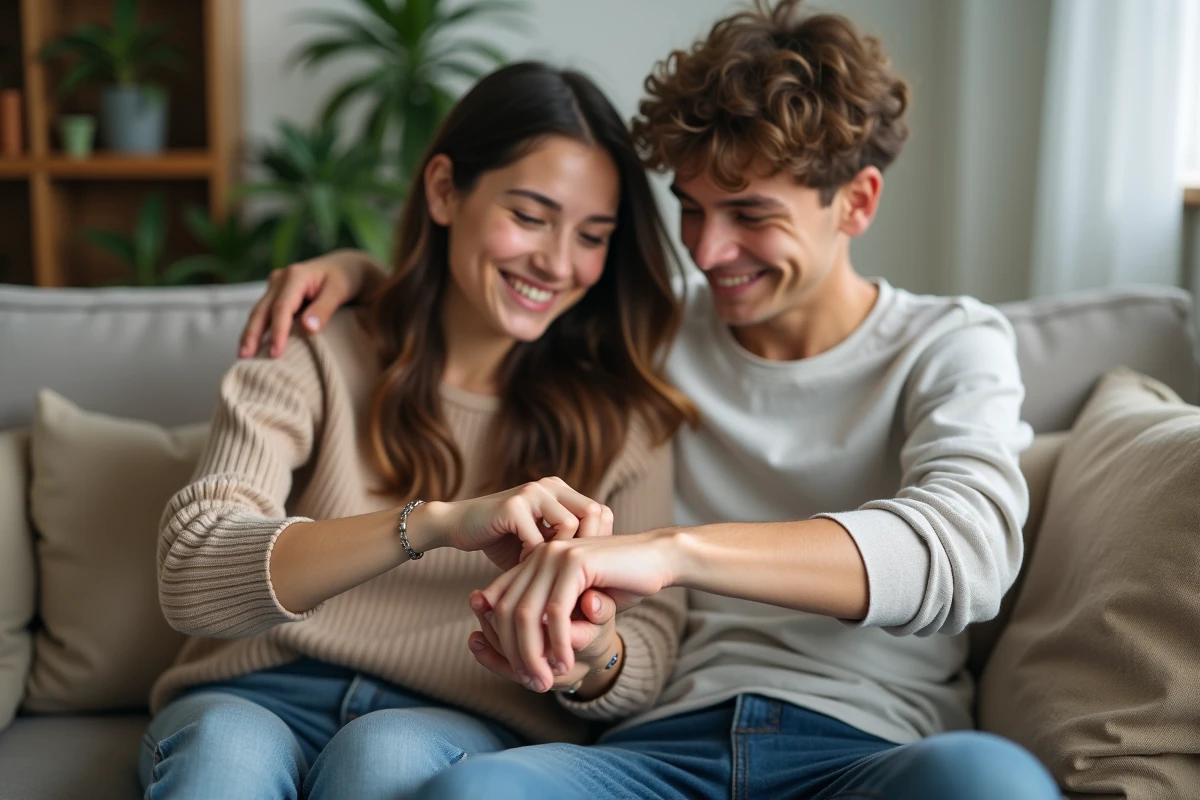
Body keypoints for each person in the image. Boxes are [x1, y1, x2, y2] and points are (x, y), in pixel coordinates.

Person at [241, 2, 1062, 798]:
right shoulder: (648, 330)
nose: (709, 251)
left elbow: (970, 550)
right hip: (657, 751)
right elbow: (496, 295)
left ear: (857, 201)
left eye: (750, 215)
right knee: (473, 791)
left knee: (996, 783)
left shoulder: (948, 343)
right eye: (693, 210)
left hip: (871, 744)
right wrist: (358, 278)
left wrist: (674, 552)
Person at [141, 61, 699, 800]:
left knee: (384, 758)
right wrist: (433, 525)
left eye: (592, 236)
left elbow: (647, 654)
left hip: (456, 720)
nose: (558, 263)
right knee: (223, 756)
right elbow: (194, 568)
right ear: (444, 190)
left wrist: (594, 652)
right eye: (530, 217)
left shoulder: (625, 418)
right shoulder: (317, 348)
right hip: (257, 693)